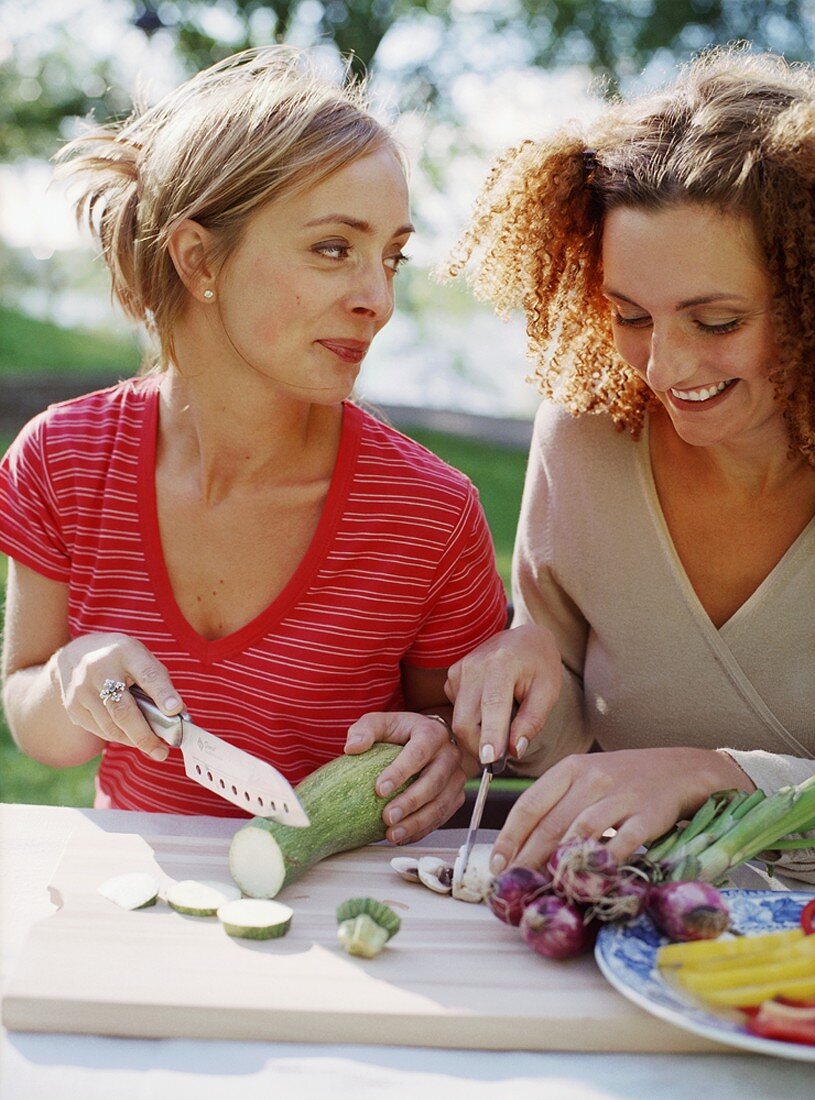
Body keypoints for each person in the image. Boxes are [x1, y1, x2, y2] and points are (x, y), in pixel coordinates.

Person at [0, 47, 507, 842]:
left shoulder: (428, 512)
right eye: (333, 249)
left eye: (391, 258)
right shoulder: (61, 459)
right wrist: (70, 682)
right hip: (135, 900)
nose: (377, 298)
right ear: (200, 258)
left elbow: (459, 735)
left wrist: (440, 749)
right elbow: (34, 721)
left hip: (350, 922)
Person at [442, 47, 815, 881]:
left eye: (715, 321)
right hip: (617, 927)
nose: (666, 368)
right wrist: (525, 658)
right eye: (630, 314)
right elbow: (566, 745)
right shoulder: (583, 439)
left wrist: (722, 773)